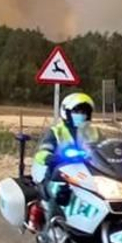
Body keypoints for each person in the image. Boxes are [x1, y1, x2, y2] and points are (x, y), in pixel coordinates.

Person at [30, 92, 99, 227]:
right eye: (77, 111)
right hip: (59, 174)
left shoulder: (94, 132)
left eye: (85, 111)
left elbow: (103, 148)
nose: (81, 115)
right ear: (66, 112)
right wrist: (51, 157)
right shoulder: (56, 131)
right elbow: (42, 152)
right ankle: (50, 230)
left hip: (86, 175)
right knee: (56, 200)